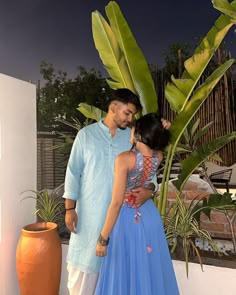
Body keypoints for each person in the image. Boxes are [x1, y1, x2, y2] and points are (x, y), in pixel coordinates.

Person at [63, 89, 161, 295]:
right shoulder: (86, 136)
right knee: (82, 278)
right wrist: (69, 208)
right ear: (113, 107)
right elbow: (73, 172)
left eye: (133, 114)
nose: (130, 118)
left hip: (121, 224)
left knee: (117, 279)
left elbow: (150, 174)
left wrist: (149, 191)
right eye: (127, 112)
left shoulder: (134, 139)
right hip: (89, 216)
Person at [95, 113, 179, 295]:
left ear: (138, 133)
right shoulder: (159, 156)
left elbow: (116, 203)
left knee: (123, 270)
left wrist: (103, 239)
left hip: (125, 218)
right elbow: (149, 180)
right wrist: (163, 127)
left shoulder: (124, 159)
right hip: (148, 215)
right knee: (147, 267)